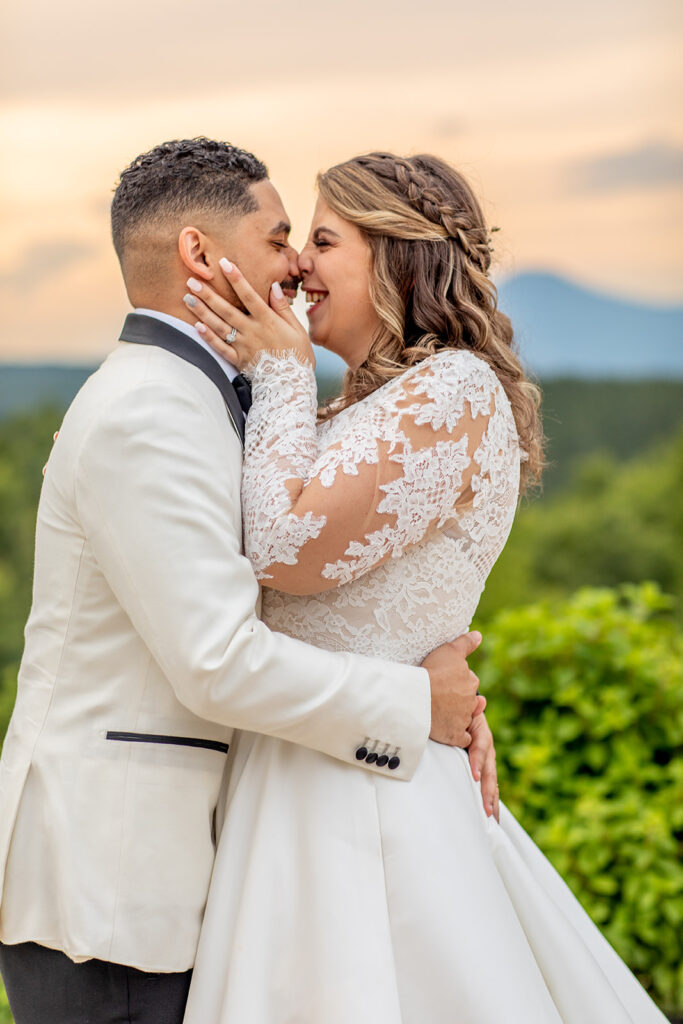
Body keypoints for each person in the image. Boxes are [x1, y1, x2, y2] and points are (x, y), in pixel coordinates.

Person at [0, 140, 496, 1024]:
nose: (298, 264)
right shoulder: (151, 410)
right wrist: (410, 704)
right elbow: (217, 661)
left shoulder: (197, 401)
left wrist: (437, 685)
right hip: (113, 888)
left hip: (201, 867)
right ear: (199, 255)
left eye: (312, 242)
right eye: (279, 240)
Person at [182, 152, 667, 1022]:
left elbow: (285, 547)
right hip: (292, 774)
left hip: (367, 803)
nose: (297, 266)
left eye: (324, 241)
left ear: (396, 257)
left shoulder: (453, 389)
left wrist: (283, 370)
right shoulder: (357, 411)